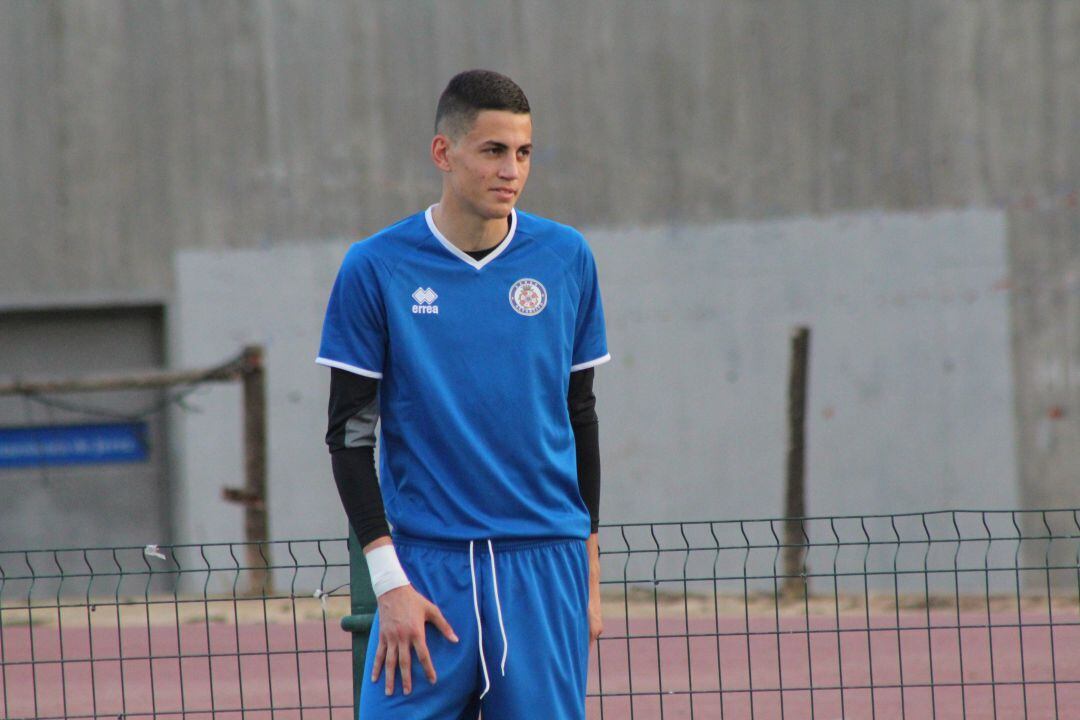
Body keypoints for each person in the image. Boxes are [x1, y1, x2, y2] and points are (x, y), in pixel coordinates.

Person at [317, 69, 609, 719]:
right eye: (493, 150)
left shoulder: (566, 258)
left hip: (544, 566)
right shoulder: (375, 266)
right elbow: (350, 437)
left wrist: (588, 576)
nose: (511, 170)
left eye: (524, 152)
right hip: (428, 571)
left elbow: (580, 415)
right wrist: (389, 583)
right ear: (443, 153)